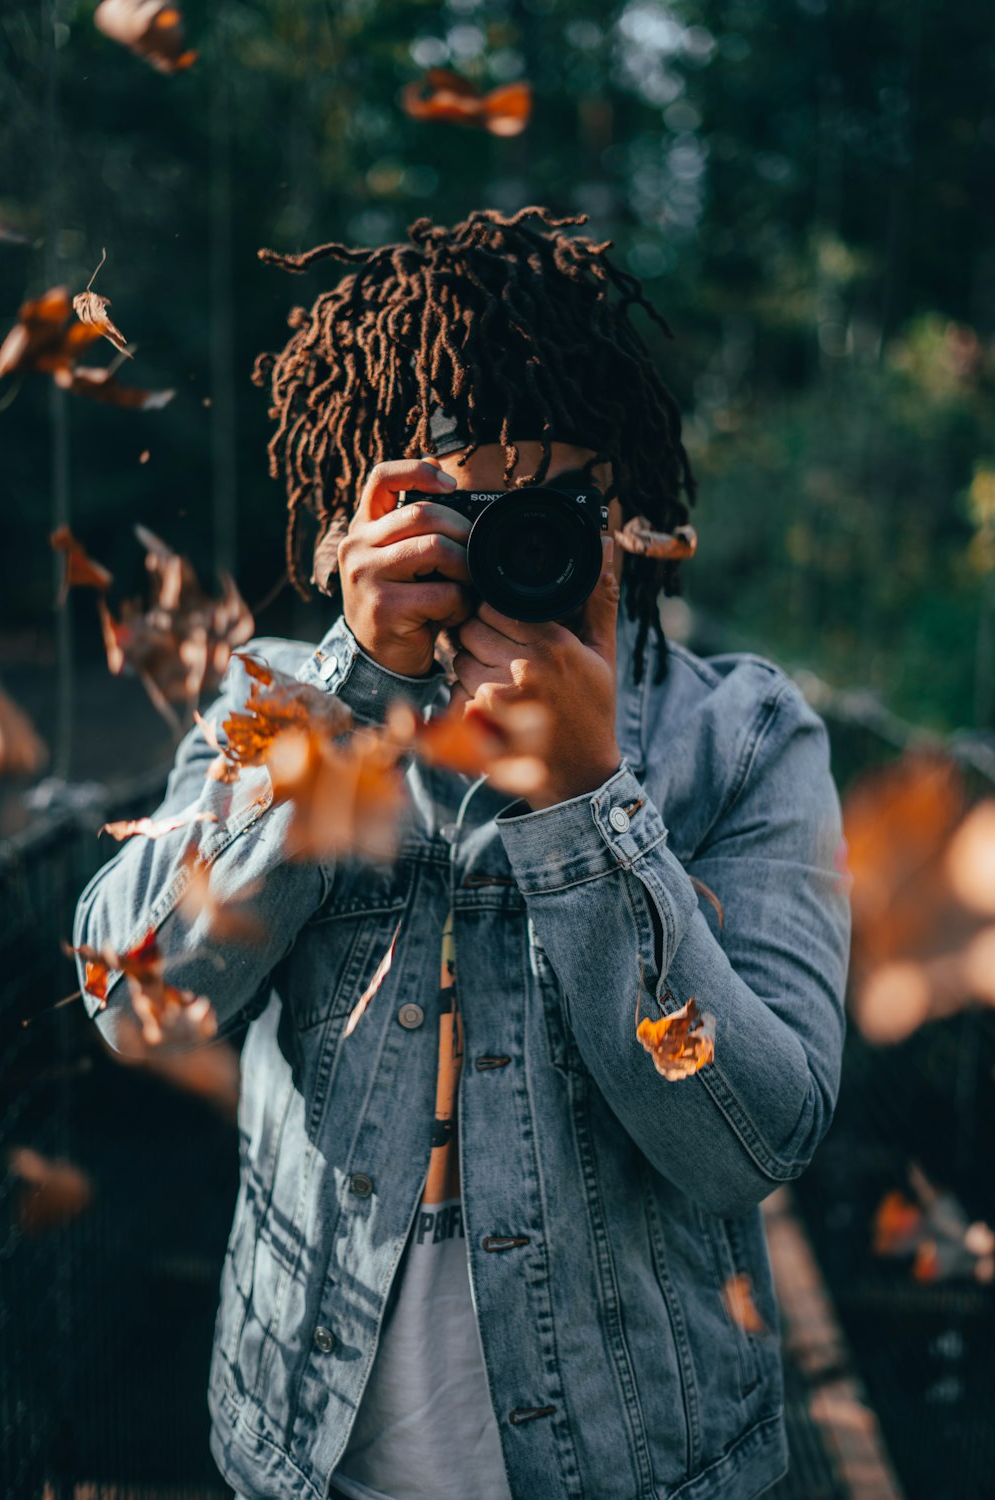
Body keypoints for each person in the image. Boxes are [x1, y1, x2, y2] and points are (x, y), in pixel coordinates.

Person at [73, 207, 850, 1500]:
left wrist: (592, 803)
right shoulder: (283, 700)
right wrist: (350, 700)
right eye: (463, 511)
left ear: (635, 510)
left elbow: (753, 1147)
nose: (510, 549)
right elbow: (132, 1002)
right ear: (373, 515)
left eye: (553, 509)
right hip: (308, 1465)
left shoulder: (743, 737)